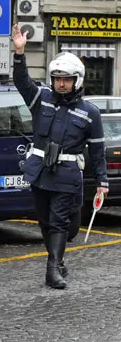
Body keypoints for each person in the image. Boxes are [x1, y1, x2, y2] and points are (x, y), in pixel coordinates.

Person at [12, 23, 108, 290]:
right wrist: (19, 53)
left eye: (66, 79)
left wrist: (102, 182)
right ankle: (58, 260)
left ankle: (52, 270)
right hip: (40, 172)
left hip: (66, 176)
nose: (61, 84)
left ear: (77, 80)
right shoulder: (41, 99)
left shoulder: (90, 113)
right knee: (45, 222)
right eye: (57, 79)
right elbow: (21, 82)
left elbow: (98, 152)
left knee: (58, 222)